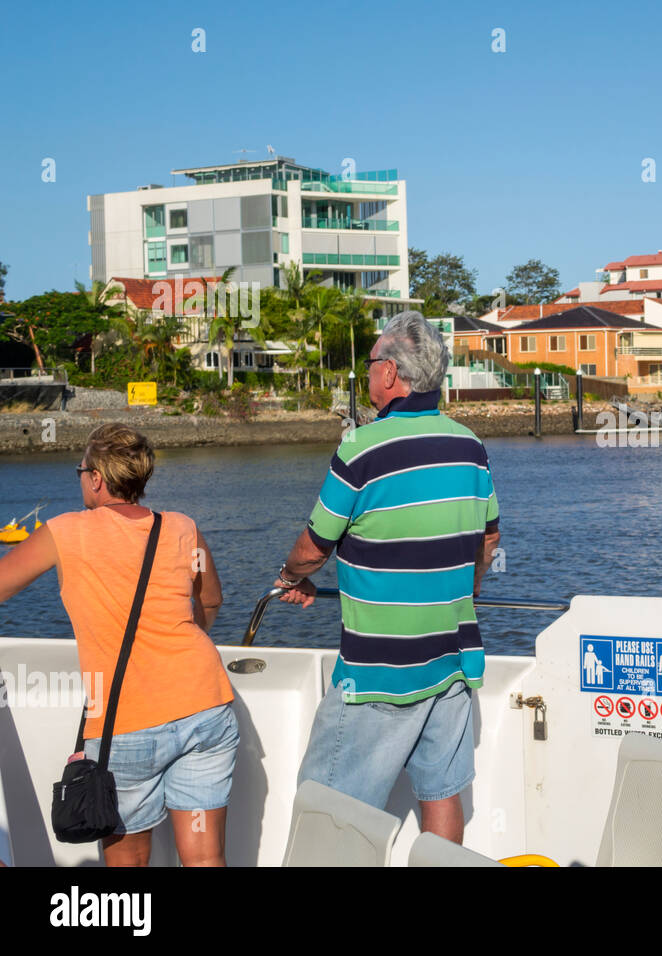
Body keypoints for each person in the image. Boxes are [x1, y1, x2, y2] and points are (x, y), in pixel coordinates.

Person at [275, 311, 500, 843]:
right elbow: (487, 542)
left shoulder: (362, 448)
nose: (367, 373)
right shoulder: (470, 446)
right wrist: (464, 593)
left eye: (371, 362)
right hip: (452, 659)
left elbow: (312, 548)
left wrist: (289, 576)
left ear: (392, 374)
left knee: (329, 814)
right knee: (442, 796)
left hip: (378, 672)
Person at [0, 423, 235, 866]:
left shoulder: (65, 532)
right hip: (205, 705)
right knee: (204, 858)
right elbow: (211, 600)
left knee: (128, 865)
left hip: (126, 724)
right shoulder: (181, 526)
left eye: (81, 469)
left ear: (96, 479)